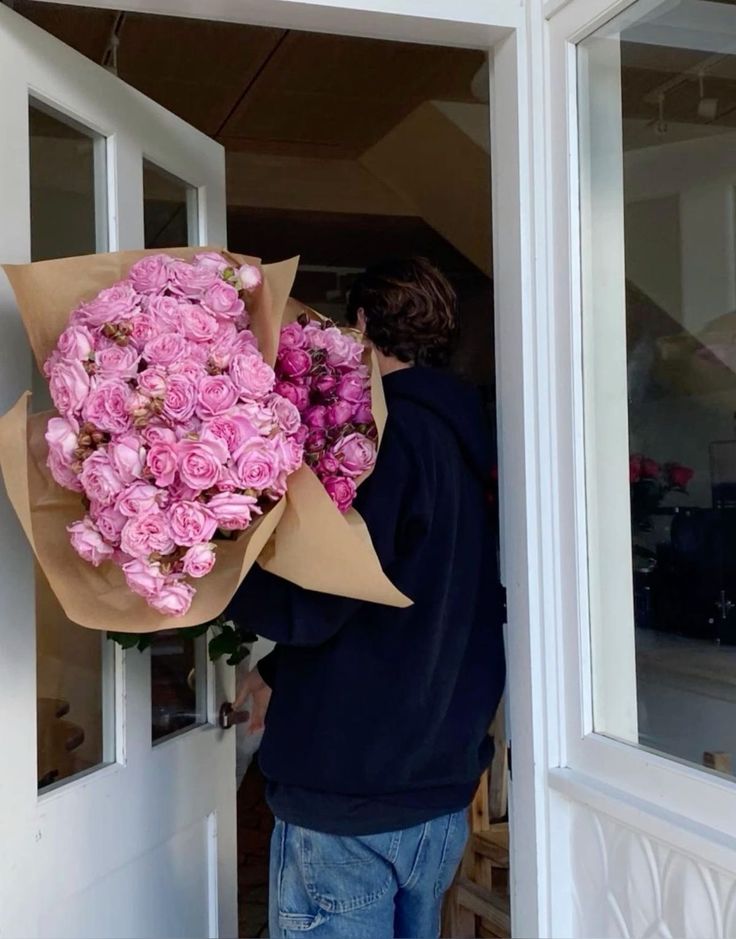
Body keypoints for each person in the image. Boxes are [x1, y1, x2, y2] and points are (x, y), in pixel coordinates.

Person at [227, 257, 506, 939]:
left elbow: (325, 598)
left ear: (358, 327)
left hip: (351, 792)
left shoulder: (383, 441)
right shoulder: (471, 445)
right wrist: (273, 673)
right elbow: (398, 604)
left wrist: (223, 568)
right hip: (437, 786)